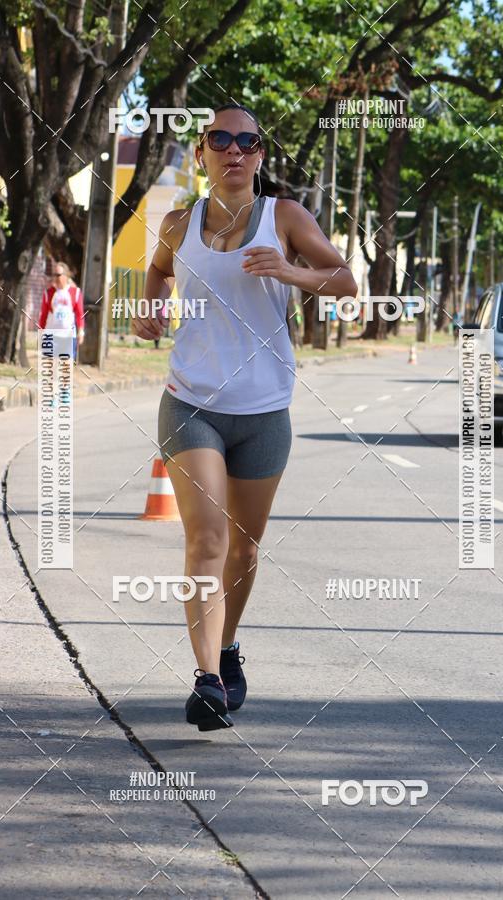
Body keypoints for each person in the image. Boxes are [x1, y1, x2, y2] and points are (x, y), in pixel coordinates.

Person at [133, 103, 357, 731]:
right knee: (206, 538)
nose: (235, 150)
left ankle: (227, 646)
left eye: (248, 142)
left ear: (261, 155)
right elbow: (154, 275)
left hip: (263, 412)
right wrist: (147, 315)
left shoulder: (284, 216)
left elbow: (345, 282)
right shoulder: (178, 223)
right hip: (191, 403)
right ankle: (206, 679)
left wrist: (288, 269)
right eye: (221, 140)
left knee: (244, 550)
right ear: (202, 150)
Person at [38, 262, 85, 359]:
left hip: (68, 336)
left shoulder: (75, 293)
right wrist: (40, 332)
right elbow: (43, 315)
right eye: (53, 275)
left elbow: (80, 314)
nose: (55, 278)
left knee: (64, 370)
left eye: (58, 275)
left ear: (66, 276)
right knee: (48, 370)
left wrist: (81, 331)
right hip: (50, 336)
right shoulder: (48, 293)